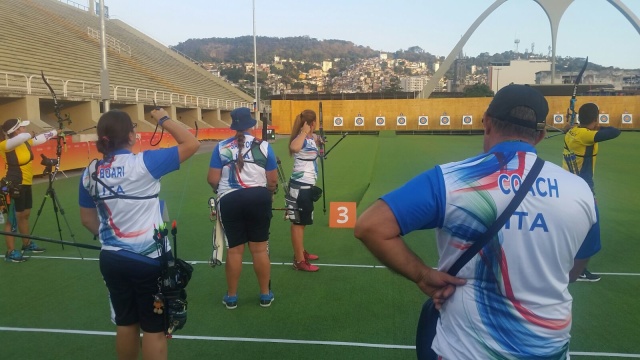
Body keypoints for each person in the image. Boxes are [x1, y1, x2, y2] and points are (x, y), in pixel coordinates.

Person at [354, 84, 600, 359]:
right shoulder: (580, 191)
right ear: (541, 135)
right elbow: (572, 273)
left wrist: (423, 275)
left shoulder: (450, 180)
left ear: (487, 123)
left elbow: (371, 225)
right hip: (547, 350)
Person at [78, 109, 199, 359]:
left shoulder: (90, 171)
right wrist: (163, 118)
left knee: (125, 323)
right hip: (149, 261)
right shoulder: (143, 163)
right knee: (154, 329)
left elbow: (87, 219)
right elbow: (191, 143)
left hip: (112, 259)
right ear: (131, 136)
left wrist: (112, 241)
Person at [207, 107, 278, 309]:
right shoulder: (264, 146)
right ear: (251, 124)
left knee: (235, 251)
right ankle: (265, 294)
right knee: (259, 250)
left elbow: (212, 179)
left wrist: (220, 189)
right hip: (258, 198)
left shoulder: (220, 147)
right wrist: (269, 195)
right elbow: (272, 180)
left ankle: (231, 297)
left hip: (229, 200)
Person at [563, 102, 620, 282]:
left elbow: (577, 131)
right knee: (589, 229)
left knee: (574, 228)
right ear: (595, 119)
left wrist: (571, 127)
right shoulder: (586, 135)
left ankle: (569, 265)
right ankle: (577, 270)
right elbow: (614, 132)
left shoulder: (573, 132)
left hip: (568, 186)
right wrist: (597, 126)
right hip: (582, 188)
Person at [0, 119, 57, 262]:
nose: (24, 128)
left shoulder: (25, 141)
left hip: (26, 183)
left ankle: (26, 244)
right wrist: (29, 134)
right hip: (13, 184)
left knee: (25, 214)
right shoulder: (5, 145)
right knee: (12, 220)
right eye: (21, 127)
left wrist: (57, 131)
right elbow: (23, 137)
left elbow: (42, 138)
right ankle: (10, 252)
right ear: (15, 130)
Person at [286, 109, 322, 272]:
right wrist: (304, 132)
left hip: (306, 186)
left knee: (303, 222)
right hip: (299, 187)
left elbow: (315, 140)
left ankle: (300, 252)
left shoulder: (310, 138)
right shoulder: (299, 139)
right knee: (298, 224)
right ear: (312, 123)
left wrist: (318, 140)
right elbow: (294, 147)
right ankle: (299, 261)